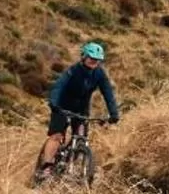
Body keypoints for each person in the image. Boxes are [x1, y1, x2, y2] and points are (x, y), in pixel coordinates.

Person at [34, 41, 119, 186]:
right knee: (56, 136)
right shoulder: (73, 71)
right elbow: (58, 86)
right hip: (61, 107)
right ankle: (46, 168)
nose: (94, 62)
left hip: (81, 110)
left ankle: (72, 166)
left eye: (97, 60)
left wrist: (114, 113)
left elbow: (108, 93)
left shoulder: (99, 74)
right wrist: (53, 103)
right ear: (84, 56)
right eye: (91, 58)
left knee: (81, 138)